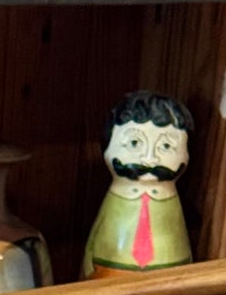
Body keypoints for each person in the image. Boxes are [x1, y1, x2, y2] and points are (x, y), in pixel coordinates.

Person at [82, 91, 194, 278]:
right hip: (107, 278)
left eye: (166, 146)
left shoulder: (173, 207)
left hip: (167, 283)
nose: (149, 159)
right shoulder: (115, 200)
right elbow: (94, 241)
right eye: (134, 143)